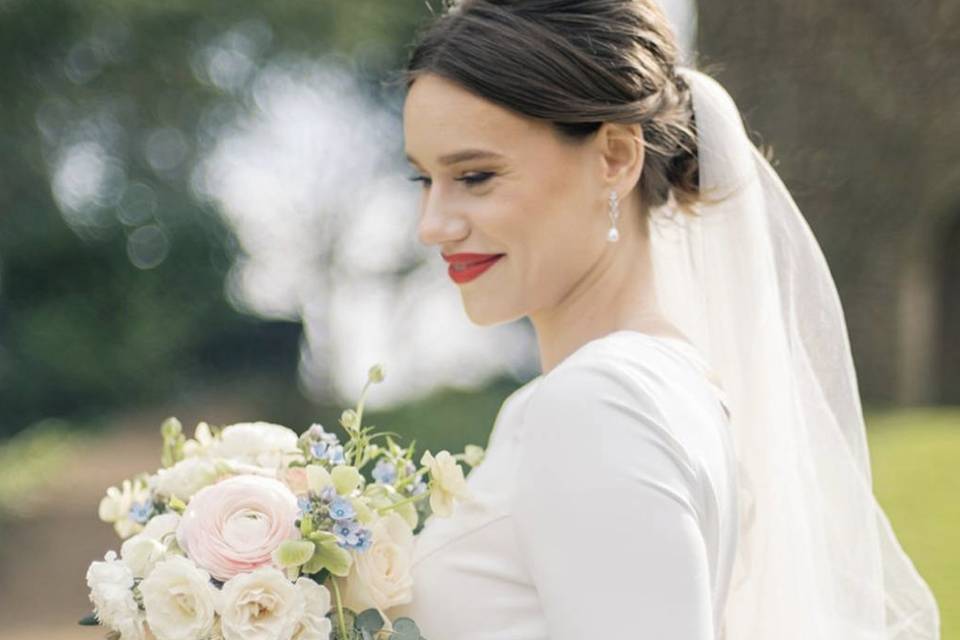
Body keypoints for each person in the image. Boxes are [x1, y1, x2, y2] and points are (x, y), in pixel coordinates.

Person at [390, 1, 941, 639]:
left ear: (616, 159)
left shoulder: (599, 402)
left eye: (475, 176)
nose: (433, 224)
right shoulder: (666, 386)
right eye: (423, 180)